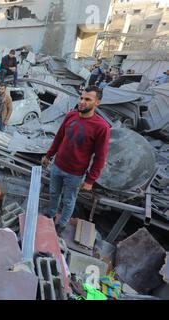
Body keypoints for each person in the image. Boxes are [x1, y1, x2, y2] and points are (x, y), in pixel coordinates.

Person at [41, 86, 110, 236]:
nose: (82, 102)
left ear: (97, 102)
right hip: (57, 166)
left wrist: (90, 180)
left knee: (68, 200)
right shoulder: (71, 116)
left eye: (87, 99)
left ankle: (62, 223)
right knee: (53, 193)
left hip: (75, 173)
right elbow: (59, 137)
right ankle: (51, 215)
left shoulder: (102, 127)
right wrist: (48, 155)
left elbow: (100, 156)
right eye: (81, 98)